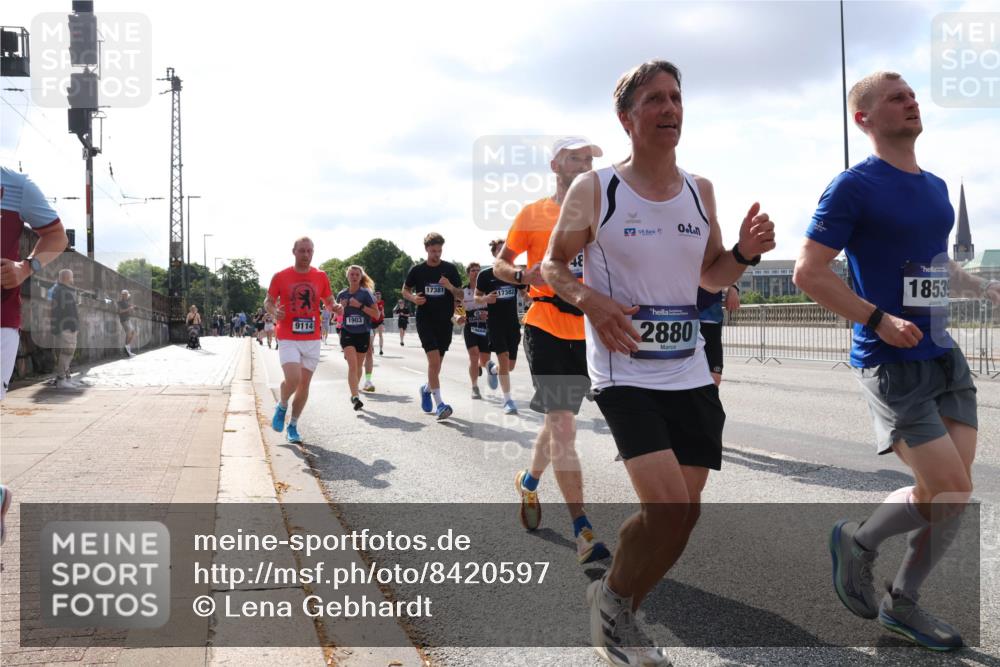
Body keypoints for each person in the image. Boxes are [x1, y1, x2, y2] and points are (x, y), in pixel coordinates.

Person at [541, 62, 775, 666]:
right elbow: (553, 265)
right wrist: (591, 301)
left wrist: (745, 252)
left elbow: (711, 275)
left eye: (676, 98)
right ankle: (619, 614)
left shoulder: (701, 190)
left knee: (680, 515)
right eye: (654, 99)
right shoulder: (596, 188)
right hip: (624, 371)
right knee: (669, 509)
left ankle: (613, 600)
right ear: (627, 117)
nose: (670, 108)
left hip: (689, 370)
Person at [793, 71, 990, 651]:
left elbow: (935, 264)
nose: (911, 102)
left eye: (912, 95)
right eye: (896, 98)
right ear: (864, 119)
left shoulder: (934, 187)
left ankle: (900, 602)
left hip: (943, 354)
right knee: (948, 487)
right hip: (891, 361)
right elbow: (809, 272)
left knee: (950, 494)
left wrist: (981, 287)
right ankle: (860, 544)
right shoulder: (853, 186)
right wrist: (876, 318)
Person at [494, 136, 610, 563]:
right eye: (575, 157)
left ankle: (528, 480)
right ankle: (583, 530)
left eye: (588, 158)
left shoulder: (602, 213)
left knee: (556, 422)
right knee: (563, 426)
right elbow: (500, 263)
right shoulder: (533, 213)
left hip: (589, 328)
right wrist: (523, 276)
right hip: (545, 323)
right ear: (555, 165)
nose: (584, 164)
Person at [266, 237, 340, 444]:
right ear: (294, 252)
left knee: (304, 383)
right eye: (302, 251)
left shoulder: (320, 276)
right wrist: (274, 311)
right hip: (288, 335)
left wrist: (335, 307)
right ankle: (282, 405)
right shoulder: (280, 276)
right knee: (293, 379)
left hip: (312, 337)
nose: (306, 255)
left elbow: (328, 300)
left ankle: (293, 425)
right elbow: (268, 301)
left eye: (309, 251)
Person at [403, 232, 463, 420]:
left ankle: (426, 389)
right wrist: (413, 298)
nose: (437, 254)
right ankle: (440, 405)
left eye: (439, 251)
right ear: (426, 249)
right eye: (433, 251)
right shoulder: (418, 270)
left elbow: (461, 295)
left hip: (445, 322)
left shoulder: (450, 269)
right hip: (425, 320)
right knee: (434, 362)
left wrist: (450, 287)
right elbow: (405, 290)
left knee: (436, 366)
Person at [477, 239, 526, 414]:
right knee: (503, 358)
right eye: (499, 250)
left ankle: (492, 369)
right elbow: (476, 297)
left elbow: (525, 293)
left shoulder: (515, 273)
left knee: (509, 366)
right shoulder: (485, 275)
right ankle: (508, 400)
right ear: (494, 253)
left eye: (505, 249)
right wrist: (485, 299)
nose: (502, 252)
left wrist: (532, 301)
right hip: (495, 323)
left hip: (512, 324)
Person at [338, 265, 379, 409]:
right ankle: (355, 397)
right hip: (347, 333)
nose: (354, 277)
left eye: (357, 274)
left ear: (361, 277)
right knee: (352, 365)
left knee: (358, 367)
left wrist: (359, 306)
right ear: (347, 276)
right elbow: (336, 318)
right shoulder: (342, 294)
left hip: (362, 334)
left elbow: (377, 314)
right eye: (352, 274)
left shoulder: (366, 294)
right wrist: (341, 308)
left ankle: (354, 392)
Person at [459, 262, 491, 400]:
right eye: (473, 270)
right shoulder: (463, 292)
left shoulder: (487, 290)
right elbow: (455, 311)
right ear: (468, 273)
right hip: (470, 328)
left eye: (478, 270)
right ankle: (475, 388)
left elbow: (495, 308)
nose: (476, 272)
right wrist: (457, 317)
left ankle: (479, 365)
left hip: (485, 328)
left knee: (485, 362)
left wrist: (488, 314)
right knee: (473, 355)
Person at [697, 285, 740, 386]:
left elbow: (726, 277)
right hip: (684, 316)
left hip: (711, 318)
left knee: (715, 377)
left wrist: (732, 288)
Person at [50, 269, 80, 388]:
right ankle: (61, 380)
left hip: (62, 327)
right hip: (67, 328)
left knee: (64, 353)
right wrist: (74, 327)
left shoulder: (58, 289)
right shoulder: (64, 291)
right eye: (72, 277)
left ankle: (66, 378)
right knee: (67, 353)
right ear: (68, 278)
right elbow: (69, 311)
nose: (73, 279)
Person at [118, 290, 138, 356]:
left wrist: (133, 307)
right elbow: (120, 311)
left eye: (127, 295)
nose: (127, 296)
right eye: (126, 295)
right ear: (123, 295)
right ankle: (127, 350)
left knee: (132, 332)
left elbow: (130, 309)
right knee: (129, 333)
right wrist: (129, 308)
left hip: (128, 319)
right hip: (124, 320)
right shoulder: (120, 302)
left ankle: (127, 347)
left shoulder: (126, 302)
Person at [372, 290, 386, 355]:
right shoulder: (372, 302)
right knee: (373, 335)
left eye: (379, 294)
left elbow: (382, 310)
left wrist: (383, 314)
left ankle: (381, 349)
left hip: (380, 320)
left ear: (380, 296)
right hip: (373, 320)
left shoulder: (382, 302)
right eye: (376, 294)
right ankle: (372, 347)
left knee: (380, 334)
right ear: (374, 296)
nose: (378, 295)